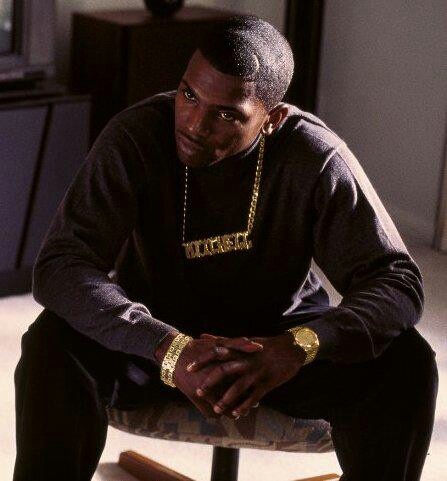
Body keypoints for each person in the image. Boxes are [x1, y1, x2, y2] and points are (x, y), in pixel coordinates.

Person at [13, 14, 437, 481]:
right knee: (51, 343)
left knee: (406, 362)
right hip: (153, 345)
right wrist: (169, 348)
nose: (194, 123)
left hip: (277, 348)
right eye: (189, 95)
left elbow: (397, 282)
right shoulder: (135, 136)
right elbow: (61, 265)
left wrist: (296, 349)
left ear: (272, 118)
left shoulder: (314, 157)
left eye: (227, 113)